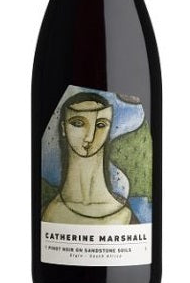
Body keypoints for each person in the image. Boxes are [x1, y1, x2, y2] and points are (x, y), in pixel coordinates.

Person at [42, 92, 136, 225]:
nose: (90, 137)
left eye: (100, 125)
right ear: (63, 128)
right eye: (78, 123)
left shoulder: (125, 215)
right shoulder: (49, 213)